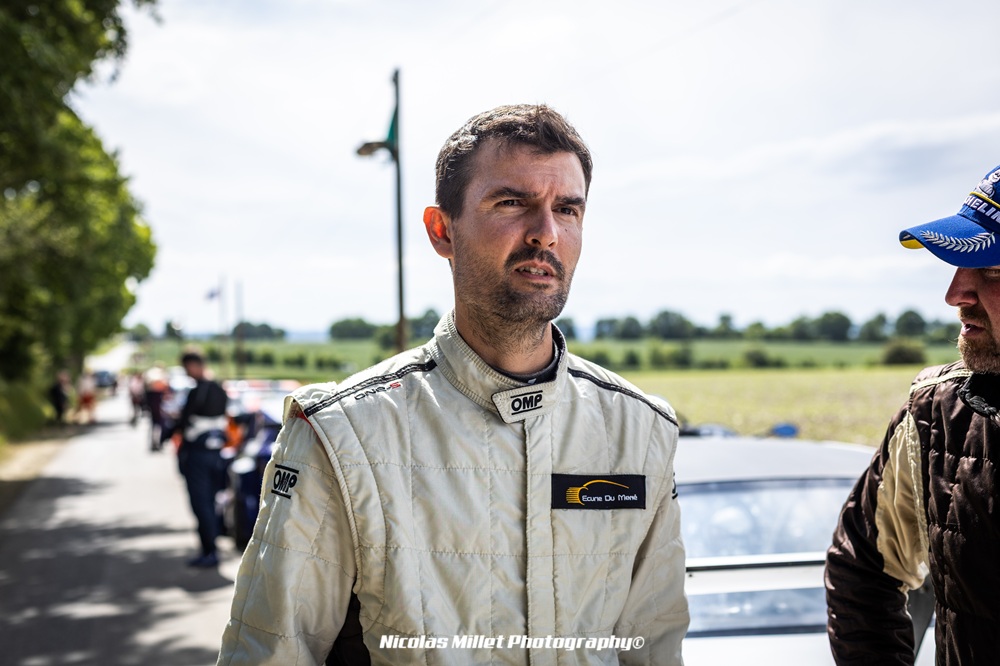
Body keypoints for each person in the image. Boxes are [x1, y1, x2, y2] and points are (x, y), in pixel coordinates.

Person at [218, 105, 689, 665]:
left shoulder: (641, 431)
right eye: (512, 203)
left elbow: (655, 649)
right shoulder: (343, 436)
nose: (546, 233)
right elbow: (268, 652)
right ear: (442, 231)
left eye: (567, 209)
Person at [826, 163, 1000, 663]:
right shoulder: (937, 413)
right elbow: (863, 567)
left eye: (992, 270)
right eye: (959, 267)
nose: (954, 295)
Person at [177, 350, 229, 568]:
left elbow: (183, 421)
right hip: (216, 454)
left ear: (195, 365)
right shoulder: (219, 389)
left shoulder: (199, 391)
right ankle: (212, 547)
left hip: (197, 455)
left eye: (187, 367)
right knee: (210, 502)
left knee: (202, 503)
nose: (186, 372)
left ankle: (210, 551)